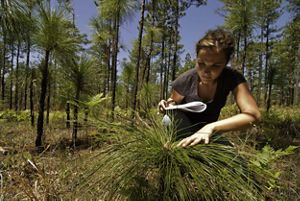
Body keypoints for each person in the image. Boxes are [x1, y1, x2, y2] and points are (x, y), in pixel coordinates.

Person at [158, 28, 261, 147]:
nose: (206, 72)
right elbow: (173, 103)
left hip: (208, 132)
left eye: (215, 66)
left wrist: (211, 127)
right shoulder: (186, 79)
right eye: (201, 63)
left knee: (235, 160)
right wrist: (166, 105)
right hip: (184, 128)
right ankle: (175, 149)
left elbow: (254, 115)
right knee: (168, 119)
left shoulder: (232, 78)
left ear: (225, 63)